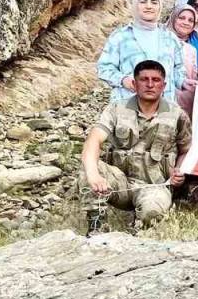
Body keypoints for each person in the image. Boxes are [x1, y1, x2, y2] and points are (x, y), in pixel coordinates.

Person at [80, 60, 191, 233]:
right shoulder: (116, 109)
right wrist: (94, 175)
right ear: (134, 83)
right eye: (144, 79)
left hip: (154, 187)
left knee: (152, 212)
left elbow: (186, 150)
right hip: (119, 183)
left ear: (164, 85)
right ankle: (96, 228)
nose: (150, 84)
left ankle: (138, 233)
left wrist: (178, 171)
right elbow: (94, 140)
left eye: (156, 80)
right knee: (90, 166)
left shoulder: (177, 114)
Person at [97, 0, 185, 102]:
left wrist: (184, 82)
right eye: (143, 2)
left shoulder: (170, 38)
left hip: (164, 105)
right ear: (135, 6)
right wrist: (123, 80)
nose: (149, 6)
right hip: (128, 104)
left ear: (159, 7)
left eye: (154, 2)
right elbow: (104, 68)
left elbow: (178, 68)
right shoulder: (120, 36)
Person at [165, 4, 198, 115]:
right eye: (181, 18)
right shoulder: (160, 41)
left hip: (184, 104)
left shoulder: (191, 50)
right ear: (173, 18)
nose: (186, 22)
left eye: (190, 20)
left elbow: (192, 77)